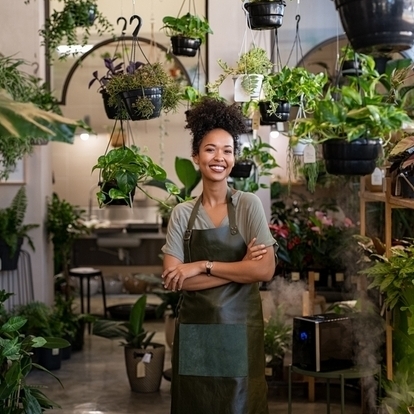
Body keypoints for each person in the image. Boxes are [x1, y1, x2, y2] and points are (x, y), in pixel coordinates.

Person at [161, 97, 277, 414]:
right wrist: (241, 268)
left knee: (241, 405)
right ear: (196, 156)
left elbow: (265, 270)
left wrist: (200, 266)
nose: (219, 157)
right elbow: (175, 280)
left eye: (227, 150)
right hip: (196, 332)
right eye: (211, 149)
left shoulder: (248, 205)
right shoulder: (182, 214)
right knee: (197, 404)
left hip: (240, 330)